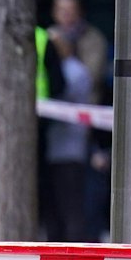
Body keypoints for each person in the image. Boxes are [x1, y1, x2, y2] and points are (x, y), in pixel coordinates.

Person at [42, 32, 98, 241]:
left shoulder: (74, 71)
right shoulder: (69, 69)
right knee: (57, 205)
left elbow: (61, 98)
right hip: (57, 147)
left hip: (68, 148)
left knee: (70, 205)